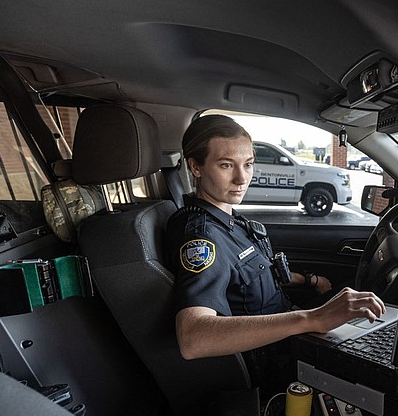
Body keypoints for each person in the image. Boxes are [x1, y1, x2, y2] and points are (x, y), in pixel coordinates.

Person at [165, 115, 385, 362]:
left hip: (288, 326)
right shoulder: (202, 238)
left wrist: (310, 281)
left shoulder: (229, 220)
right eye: (226, 165)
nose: (241, 178)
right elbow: (193, 339)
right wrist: (312, 318)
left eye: (248, 164)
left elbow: (255, 277)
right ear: (196, 167)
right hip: (272, 357)